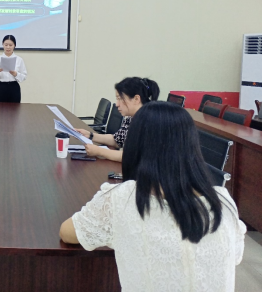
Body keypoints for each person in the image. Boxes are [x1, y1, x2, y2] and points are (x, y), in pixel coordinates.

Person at [59, 102, 246, 292]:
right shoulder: (223, 201)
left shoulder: (124, 198)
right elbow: (235, 256)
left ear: (135, 145)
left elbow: (67, 232)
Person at [75, 77, 160, 162]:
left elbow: (130, 156)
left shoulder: (149, 122)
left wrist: (99, 151)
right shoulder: (131, 118)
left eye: (120, 99)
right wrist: (90, 135)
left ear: (136, 99)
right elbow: (117, 140)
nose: (117, 104)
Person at [0, 35, 27, 103]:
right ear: (3, 45)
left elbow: (24, 76)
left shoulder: (19, 59)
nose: (8, 47)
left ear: (14, 45)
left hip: (14, 87)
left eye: (10, 45)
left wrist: (16, 74)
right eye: (6, 45)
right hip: (0, 87)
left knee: (15, 108)